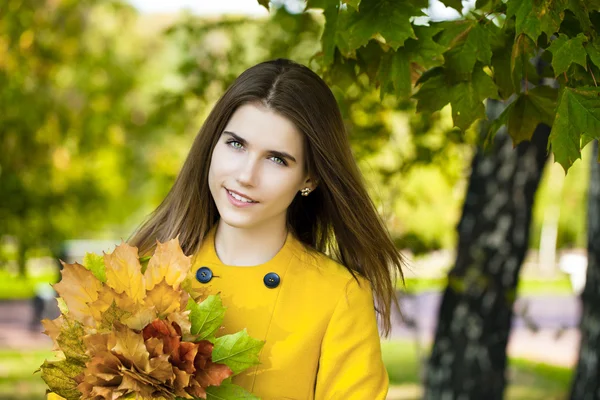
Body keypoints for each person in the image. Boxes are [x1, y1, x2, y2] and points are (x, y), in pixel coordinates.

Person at [128, 58, 405, 399]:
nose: (246, 175)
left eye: (277, 159)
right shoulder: (144, 272)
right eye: (236, 144)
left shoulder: (338, 295)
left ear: (309, 177)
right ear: (212, 145)